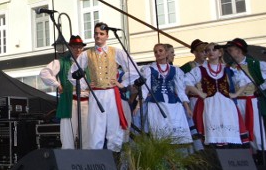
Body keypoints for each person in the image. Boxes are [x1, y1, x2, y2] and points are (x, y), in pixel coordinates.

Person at [73, 22, 140, 152]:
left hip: (112, 93)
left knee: (114, 128)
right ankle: (96, 163)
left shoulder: (116, 52)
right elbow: (72, 73)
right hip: (96, 94)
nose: (98, 36)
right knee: (95, 128)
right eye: (96, 33)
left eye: (101, 34)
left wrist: (122, 84)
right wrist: (85, 85)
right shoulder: (87, 54)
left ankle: (114, 162)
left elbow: (134, 69)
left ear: (107, 36)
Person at [185, 43, 249, 146]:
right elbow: (186, 81)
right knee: (212, 131)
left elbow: (245, 80)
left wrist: (236, 94)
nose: (211, 52)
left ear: (220, 53)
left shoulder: (227, 69)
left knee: (227, 129)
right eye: (208, 50)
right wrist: (200, 93)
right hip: (209, 104)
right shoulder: (201, 69)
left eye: (214, 50)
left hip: (226, 104)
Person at [223, 37, 266, 152]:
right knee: (238, 128)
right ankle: (244, 155)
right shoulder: (228, 67)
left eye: (231, 50)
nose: (228, 53)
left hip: (251, 101)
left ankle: (261, 154)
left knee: (255, 129)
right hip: (234, 103)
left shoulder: (255, 64)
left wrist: (261, 87)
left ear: (239, 51)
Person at [133, 43, 192, 146]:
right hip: (156, 105)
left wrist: (187, 108)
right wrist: (138, 106)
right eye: (155, 52)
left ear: (166, 53)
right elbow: (145, 89)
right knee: (159, 136)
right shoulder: (149, 69)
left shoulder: (175, 70)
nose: (158, 53)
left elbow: (180, 90)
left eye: (160, 51)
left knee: (176, 135)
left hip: (173, 105)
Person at [39, 35, 90, 149]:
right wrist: (56, 84)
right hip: (69, 101)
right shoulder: (61, 62)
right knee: (68, 135)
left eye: (80, 47)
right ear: (70, 48)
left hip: (87, 102)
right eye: (75, 47)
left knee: (87, 134)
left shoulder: (87, 63)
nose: (78, 50)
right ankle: (69, 160)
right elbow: (44, 73)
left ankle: (87, 160)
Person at [180, 39, 208, 150]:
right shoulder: (187, 67)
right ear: (194, 52)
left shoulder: (210, 66)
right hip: (194, 100)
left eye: (205, 51)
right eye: (201, 51)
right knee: (196, 123)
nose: (204, 54)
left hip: (208, 100)